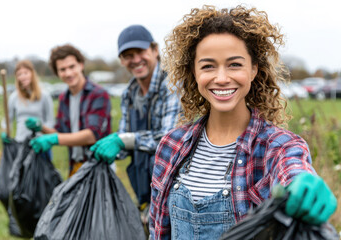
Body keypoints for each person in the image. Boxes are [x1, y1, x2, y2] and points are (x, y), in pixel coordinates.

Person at [149, 5, 337, 239]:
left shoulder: (279, 147)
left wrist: (304, 185)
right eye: (208, 66)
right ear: (194, 73)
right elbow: (157, 229)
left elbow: (293, 169)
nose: (221, 78)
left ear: (253, 69)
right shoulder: (170, 145)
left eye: (234, 64)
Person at [90, 25, 181, 218]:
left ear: (155, 50)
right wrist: (108, 148)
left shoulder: (171, 86)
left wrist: (125, 140)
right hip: (143, 187)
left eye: (140, 52)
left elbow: (171, 141)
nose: (136, 60)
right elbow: (124, 141)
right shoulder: (129, 94)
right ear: (122, 61)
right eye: (128, 55)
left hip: (173, 191)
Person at [28, 44, 111, 177]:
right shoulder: (63, 98)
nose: (68, 73)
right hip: (75, 166)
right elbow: (60, 132)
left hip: (99, 168)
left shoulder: (98, 94)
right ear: (57, 73)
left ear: (81, 65)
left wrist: (54, 139)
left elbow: (92, 135)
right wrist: (41, 128)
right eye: (62, 69)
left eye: (72, 67)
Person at [1, 60, 54, 146]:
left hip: (40, 144)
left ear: (32, 73)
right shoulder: (14, 97)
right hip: (20, 143)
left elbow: (50, 121)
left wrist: (42, 128)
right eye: (19, 74)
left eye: (25, 73)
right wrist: (5, 131)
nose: (23, 76)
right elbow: (7, 119)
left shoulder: (44, 96)